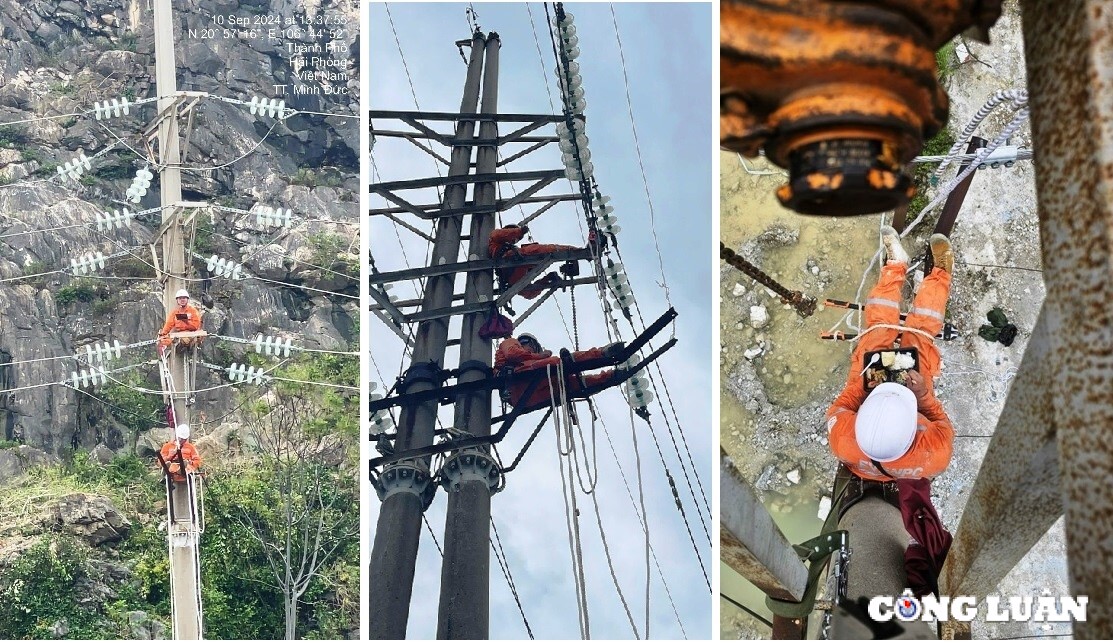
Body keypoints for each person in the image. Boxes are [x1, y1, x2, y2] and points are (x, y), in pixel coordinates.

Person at [826, 227, 955, 481]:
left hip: (866, 395)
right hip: (911, 395)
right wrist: (923, 397)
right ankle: (940, 275)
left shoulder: (842, 437)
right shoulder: (933, 453)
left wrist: (864, 386)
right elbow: (941, 423)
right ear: (913, 433)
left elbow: (840, 407)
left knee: (877, 333)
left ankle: (896, 266)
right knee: (920, 337)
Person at [495, 332, 624, 407]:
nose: (526, 345)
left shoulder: (531, 359)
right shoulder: (511, 342)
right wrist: (540, 356)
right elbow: (512, 354)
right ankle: (601, 353)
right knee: (557, 363)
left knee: (571, 385)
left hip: (524, 398)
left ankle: (610, 375)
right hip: (517, 378)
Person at [488, 224, 592, 299]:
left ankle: (554, 273)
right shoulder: (495, 237)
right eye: (516, 239)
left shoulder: (510, 247)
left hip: (513, 270)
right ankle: (577, 252)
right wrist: (520, 231)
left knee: (530, 291)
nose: (516, 241)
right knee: (536, 251)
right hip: (508, 264)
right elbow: (502, 234)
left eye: (517, 240)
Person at [157, 289, 203, 355]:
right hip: (179, 334)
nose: (182, 300)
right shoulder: (175, 312)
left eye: (184, 298)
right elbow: (168, 324)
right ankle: (164, 352)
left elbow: (195, 326)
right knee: (164, 341)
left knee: (184, 340)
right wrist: (163, 334)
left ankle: (187, 349)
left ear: (187, 299)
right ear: (177, 300)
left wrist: (186, 321)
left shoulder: (193, 311)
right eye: (180, 298)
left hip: (190, 334)